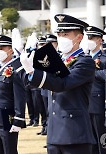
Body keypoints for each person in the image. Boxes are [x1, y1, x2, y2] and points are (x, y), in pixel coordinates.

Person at [20, 14, 96, 154]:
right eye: (59, 34)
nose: (61, 38)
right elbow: (31, 83)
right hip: (54, 132)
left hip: (75, 134)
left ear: (79, 38)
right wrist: (28, 70)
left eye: (65, 34)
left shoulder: (85, 62)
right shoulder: (55, 59)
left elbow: (63, 84)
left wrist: (33, 71)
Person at [0, 35, 26, 154]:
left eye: (2, 48)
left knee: (9, 149)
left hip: (6, 115)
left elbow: (20, 96)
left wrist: (18, 118)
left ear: (10, 50)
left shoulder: (15, 69)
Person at [85, 26, 106, 154]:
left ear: (100, 40)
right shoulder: (83, 58)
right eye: (88, 37)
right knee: (88, 140)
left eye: (92, 37)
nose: (89, 40)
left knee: (102, 139)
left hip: (98, 103)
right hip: (84, 103)